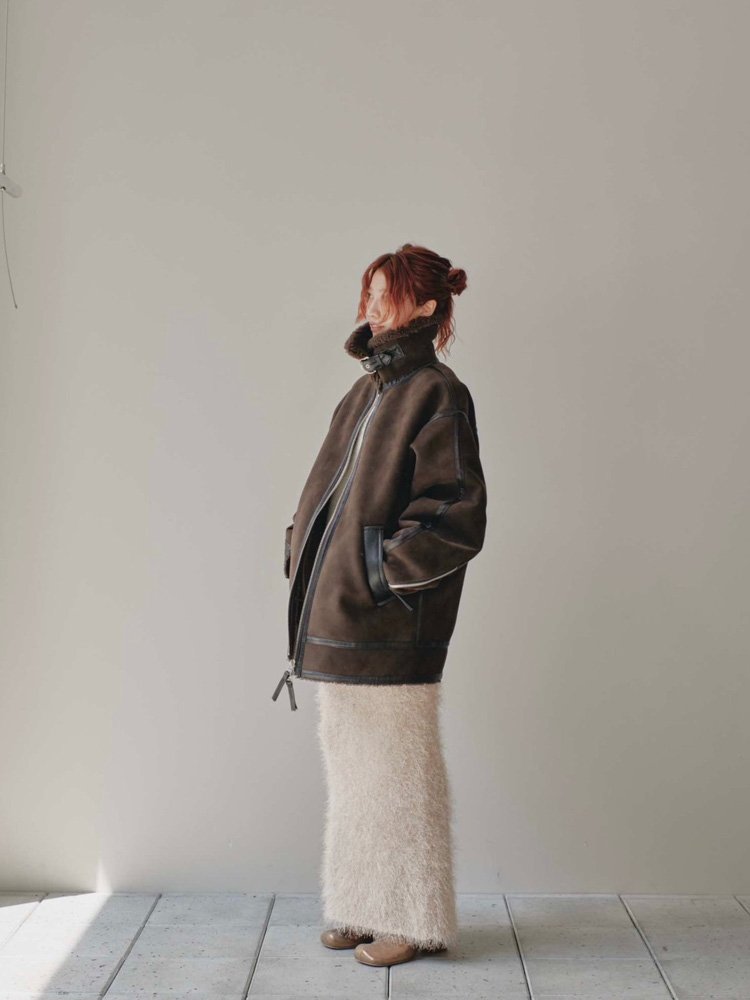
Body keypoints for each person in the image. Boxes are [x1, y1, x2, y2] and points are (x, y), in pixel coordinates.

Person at [274, 243, 487, 966]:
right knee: (355, 777)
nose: (367, 305)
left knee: (399, 776)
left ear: (424, 306)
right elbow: (327, 494)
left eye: (382, 293)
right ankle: (361, 906)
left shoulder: (437, 393)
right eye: (366, 291)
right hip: (339, 614)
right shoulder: (365, 392)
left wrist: (380, 572)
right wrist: (302, 550)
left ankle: (414, 920)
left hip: (391, 623)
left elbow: (455, 513)